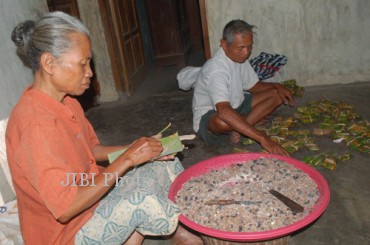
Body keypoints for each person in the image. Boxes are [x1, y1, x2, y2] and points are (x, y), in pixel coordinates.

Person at [6, 11, 203, 245]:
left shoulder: (65, 100)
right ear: (49, 63)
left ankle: (181, 233)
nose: (90, 72)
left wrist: (139, 150)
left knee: (164, 163)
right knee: (140, 200)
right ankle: (185, 235)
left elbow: (92, 148)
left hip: (90, 195)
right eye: (82, 63)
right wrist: (128, 159)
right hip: (65, 234)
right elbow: (66, 209)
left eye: (89, 62)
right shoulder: (34, 125)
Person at [191, 19, 294, 156]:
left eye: (249, 47)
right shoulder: (216, 69)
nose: (246, 53)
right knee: (222, 122)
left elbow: (253, 86)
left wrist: (277, 86)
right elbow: (223, 111)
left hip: (236, 104)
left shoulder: (240, 58)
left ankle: (238, 127)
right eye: (240, 48)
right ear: (224, 44)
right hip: (210, 114)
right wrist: (263, 139)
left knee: (277, 94)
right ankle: (241, 125)